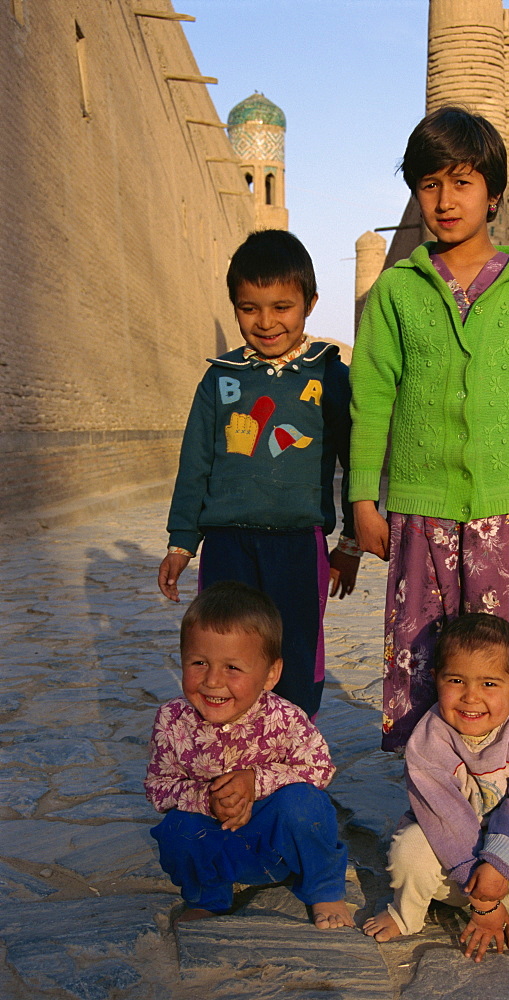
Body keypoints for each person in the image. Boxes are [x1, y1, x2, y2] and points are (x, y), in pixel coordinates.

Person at [349, 105, 509, 754]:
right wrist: (364, 498)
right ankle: (434, 798)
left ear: (493, 193)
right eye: (428, 184)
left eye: (461, 181)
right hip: (423, 516)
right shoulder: (397, 292)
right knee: (427, 656)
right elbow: (373, 399)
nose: (444, 200)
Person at [158, 229, 360, 719]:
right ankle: (230, 754)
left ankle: (290, 755)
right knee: (226, 653)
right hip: (228, 543)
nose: (266, 323)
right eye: (250, 308)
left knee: (295, 651)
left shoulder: (329, 375)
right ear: (234, 307)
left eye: (281, 307)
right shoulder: (220, 378)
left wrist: (351, 542)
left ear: (310, 303)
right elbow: (196, 462)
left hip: (298, 543)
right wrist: (182, 541)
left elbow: (357, 459)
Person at [145, 580, 355, 930]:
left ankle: (323, 889)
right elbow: (158, 787)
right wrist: (205, 800)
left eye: (232, 668)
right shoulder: (172, 720)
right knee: (176, 829)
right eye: (198, 662)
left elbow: (319, 767)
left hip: (278, 843)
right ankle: (207, 896)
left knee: (306, 804)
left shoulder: (285, 718)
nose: (213, 681)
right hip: (216, 840)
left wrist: (256, 782)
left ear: (270, 674)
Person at [363, 614, 509, 962]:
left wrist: (499, 867)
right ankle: (406, 914)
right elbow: (442, 814)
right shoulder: (428, 738)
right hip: (453, 859)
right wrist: (482, 901)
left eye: (489, 684)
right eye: (456, 680)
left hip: (507, 865)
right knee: (410, 848)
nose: (471, 697)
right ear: (437, 680)